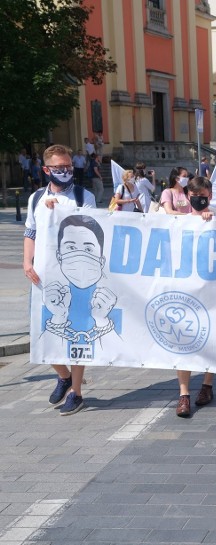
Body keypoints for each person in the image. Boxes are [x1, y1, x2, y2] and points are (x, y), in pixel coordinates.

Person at [23, 144, 97, 416]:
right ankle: (63, 375)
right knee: (42, 330)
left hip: (76, 277)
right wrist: (26, 261)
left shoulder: (82, 195)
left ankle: (76, 391)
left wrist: (62, 214)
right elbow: (30, 232)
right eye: (59, 168)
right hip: (44, 276)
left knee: (78, 333)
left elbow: (90, 226)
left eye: (68, 167)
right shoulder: (35, 199)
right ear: (46, 170)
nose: (65, 171)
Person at [176, 176, 216, 417]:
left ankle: (207, 384)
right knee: (183, 341)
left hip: (214, 288)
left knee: (212, 336)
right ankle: (183, 394)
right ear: (187, 197)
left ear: (210, 196)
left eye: (203, 196)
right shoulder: (178, 222)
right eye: (194, 196)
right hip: (186, 287)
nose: (199, 200)